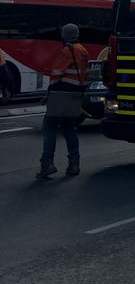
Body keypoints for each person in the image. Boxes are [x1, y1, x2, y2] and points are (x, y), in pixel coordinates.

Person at [37, 24, 89, 180]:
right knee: (69, 129)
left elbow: (56, 74)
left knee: (49, 128)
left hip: (60, 95)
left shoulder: (67, 51)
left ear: (64, 35)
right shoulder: (83, 50)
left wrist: (49, 94)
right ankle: (74, 164)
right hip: (75, 95)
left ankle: (47, 165)